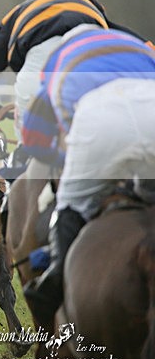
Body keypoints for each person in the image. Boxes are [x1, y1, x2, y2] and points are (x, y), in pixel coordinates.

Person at [19, 24, 155, 326]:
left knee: (70, 204)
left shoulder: (57, 61)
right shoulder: (138, 45)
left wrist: (69, 164)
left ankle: (53, 281)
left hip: (100, 118)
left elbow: (35, 139)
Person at [0, 0, 145, 142]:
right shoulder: (100, 20)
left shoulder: (17, 20)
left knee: (27, 160)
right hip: (93, 62)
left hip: (38, 64)